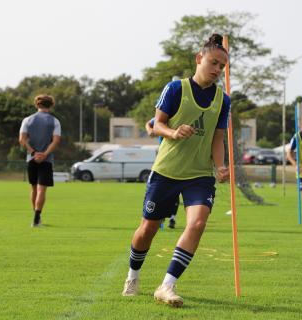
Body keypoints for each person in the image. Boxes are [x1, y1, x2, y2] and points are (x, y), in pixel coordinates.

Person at [122, 34, 230, 307]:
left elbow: (218, 138)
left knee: (197, 223)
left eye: (222, 66)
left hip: (200, 175)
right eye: (213, 63)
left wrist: (220, 166)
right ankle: (133, 276)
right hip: (167, 171)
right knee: (148, 228)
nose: (217, 70)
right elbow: (156, 125)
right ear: (199, 59)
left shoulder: (223, 100)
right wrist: (173, 132)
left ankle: (167, 285)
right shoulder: (175, 89)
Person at [19, 94, 61, 227]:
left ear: (37, 104)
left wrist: (33, 152)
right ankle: (37, 218)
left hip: (31, 158)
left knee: (34, 188)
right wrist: (44, 154)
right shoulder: (55, 121)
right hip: (46, 160)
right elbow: (56, 140)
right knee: (42, 189)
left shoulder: (27, 120)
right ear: (51, 105)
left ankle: (36, 217)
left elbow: (22, 139)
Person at [145, 117, 178, 229]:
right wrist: (150, 131)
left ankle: (172, 218)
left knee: (175, 193)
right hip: (165, 157)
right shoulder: (164, 115)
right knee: (162, 192)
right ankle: (160, 218)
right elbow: (149, 123)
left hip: (180, 159)